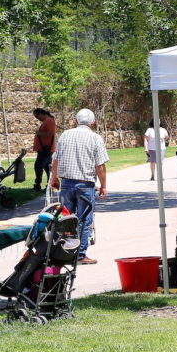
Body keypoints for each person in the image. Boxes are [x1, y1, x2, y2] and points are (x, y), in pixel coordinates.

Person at [50, 108, 108, 265]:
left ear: (76, 121)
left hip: (67, 184)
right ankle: (80, 255)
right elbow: (100, 166)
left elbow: (55, 160)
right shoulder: (95, 138)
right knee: (84, 220)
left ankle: (64, 253)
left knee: (66, 219)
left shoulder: (65, 135)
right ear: (93, 122)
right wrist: (103, 186)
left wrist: (54, 179)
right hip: (85, 185)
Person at [31, 108, 56, 191]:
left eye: (37, 116)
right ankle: (50, 185)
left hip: (46, 148)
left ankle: (38, 185)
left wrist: (39, 133)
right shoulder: (46, 121)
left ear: (41, 113)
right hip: (43, 148)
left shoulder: (49, 121)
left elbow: (50, 133)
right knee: (46, 167)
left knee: (38, 166)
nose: (37, 118)